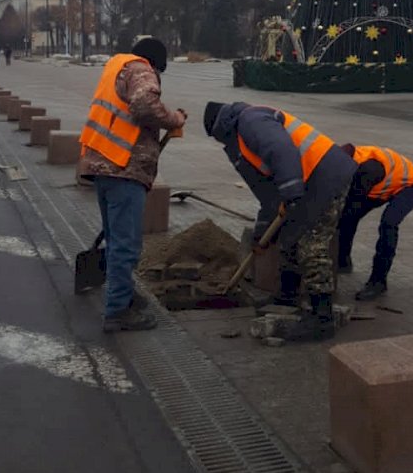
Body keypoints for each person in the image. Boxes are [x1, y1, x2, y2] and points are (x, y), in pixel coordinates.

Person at [204, 101, 356, 341]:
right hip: (305, 181)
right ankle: (288, 295)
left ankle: (322, 317)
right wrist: (261, 235)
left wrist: (291, 190)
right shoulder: (241, 139)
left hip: (326, 176)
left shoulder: (250, 121)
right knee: (289, 236)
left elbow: (281, 150)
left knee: (311, 245)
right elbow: (268, 198)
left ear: (220, 127)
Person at [80, 37, 186, 332]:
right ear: (155, 62)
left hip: (102, 164)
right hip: (123, 168)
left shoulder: (118, 66)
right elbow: (143, 105)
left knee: (117, 240)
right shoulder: (142, 70)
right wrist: (174, 118)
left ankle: (123, 293)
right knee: (126, 245)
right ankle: (117, 311)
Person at [337, 144, 413, 300]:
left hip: (408, 185)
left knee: (388, 224)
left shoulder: (367, 170)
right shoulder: (343, 160)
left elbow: (351, 203)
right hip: (380, 185)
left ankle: (378, 281)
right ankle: (343, 261)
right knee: (348, 218)